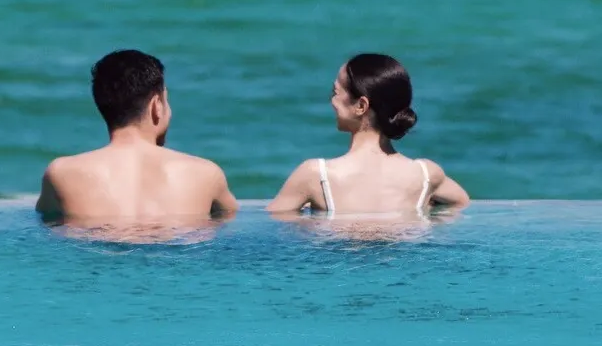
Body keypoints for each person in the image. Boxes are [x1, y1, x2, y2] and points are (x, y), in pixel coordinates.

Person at [37, 49, 239, 224]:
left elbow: (47, 221)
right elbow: (230, 219)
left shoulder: (61, 173)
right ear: (156, 105)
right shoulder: (205, 174)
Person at [267, 53, 469, 217]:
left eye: (335, 92)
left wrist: (309, 223)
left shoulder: (316, 175)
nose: (332, 101)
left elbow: (274, 225)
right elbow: (461, 203)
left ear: (361, 106)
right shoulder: (426, 175)